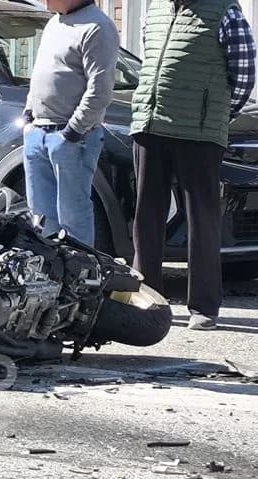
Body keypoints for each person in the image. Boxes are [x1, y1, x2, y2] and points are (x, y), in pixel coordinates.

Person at [131, 0, 256, 331]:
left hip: (199, 132)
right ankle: (147, 300)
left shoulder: (224, 10)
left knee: (202, 219)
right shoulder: (155, 10)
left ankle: (203, 307)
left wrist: (217, 113)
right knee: (147, 215)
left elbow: (244, 74)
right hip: (150, 123)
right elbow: (151, 62)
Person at [22, 0, 119, 246]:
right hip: (38, 133)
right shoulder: (54, 23)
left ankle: (78, 280)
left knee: (73, 217)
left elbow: (100, 90)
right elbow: (40, 73)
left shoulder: (98, 27)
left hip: (71, 138)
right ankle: (47, 279)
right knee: (41, 219)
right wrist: (29, 116)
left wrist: (72, 132)